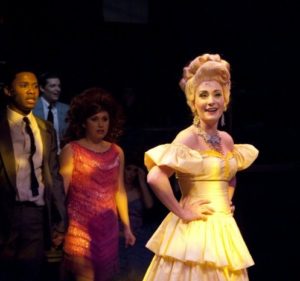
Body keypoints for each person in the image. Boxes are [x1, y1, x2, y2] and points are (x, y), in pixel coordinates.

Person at [142, 53, 259, 281]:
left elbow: (230, 173)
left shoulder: (226, 139)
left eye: (217, 94)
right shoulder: (188, 137)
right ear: (193, 102)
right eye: (203, 95)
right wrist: (182, 211)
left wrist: (226, 201)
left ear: (225, 100)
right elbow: (155, 177)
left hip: (223, 227)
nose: (211, 101)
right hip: (196, 230)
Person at [59, 87, 136, 281]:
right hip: (79, 230)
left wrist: (126, 227)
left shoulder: (117, 152)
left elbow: (119, 191)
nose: (101, 124)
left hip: (108, 231)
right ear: (84, 122)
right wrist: (58, 228)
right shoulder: (71, 150)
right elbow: (61, 192)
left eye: (105, 119)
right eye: (95, 119)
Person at [0, 67, 67, 281]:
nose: (31, 91)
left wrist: (60, 219)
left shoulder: (45, 129)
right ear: (8, 91)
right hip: (4, 212)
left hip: (35, 216)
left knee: (31, 275)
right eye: (24, 85)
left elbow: (54, 176)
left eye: (35, 86)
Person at [117, 157, 155, 281]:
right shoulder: (114, 190)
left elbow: (149, 205)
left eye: (135, 171)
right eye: (128, 169)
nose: (131, 174)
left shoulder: (139, 191)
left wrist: (142, 180)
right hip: (116, 232)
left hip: (137, 233)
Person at [33, 71, 70, 153]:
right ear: (42, 88)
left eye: (59, 86)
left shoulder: (66, 109)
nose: (58, 89)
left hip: (61, 155)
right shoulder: (32, 108)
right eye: (53, 86)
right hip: (39, 155)